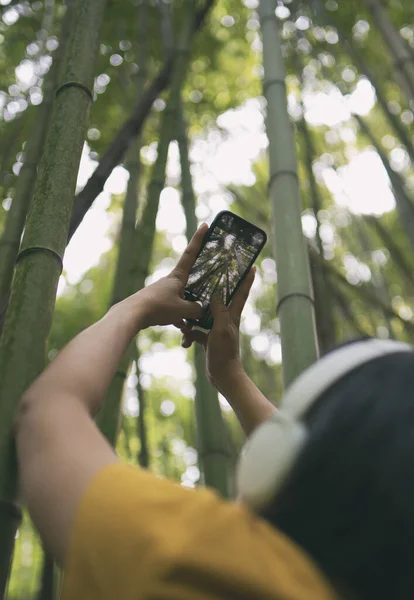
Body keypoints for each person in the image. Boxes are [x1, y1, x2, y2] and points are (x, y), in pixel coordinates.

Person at [15, 223, 414, 600]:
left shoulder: (206, 565)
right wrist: (230, 374)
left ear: (275, 462)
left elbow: (47, 411)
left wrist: (135, 309)